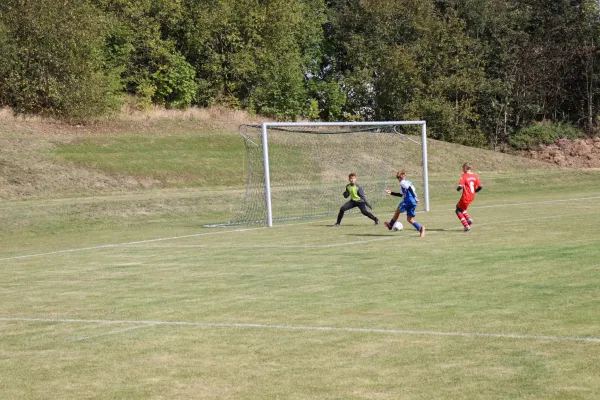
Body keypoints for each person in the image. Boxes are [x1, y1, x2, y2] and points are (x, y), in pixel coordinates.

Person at [384, 171, 425, 237]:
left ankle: (390, 224)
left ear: (403, 177)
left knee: (397, 211)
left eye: (400, 177)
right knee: (409, 219)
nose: (399, 179)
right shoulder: (407, 182)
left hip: (408, 200)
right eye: (398, 178)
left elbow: (409, 189)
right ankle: (420, 229)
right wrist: (391, 192)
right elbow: (400, 194)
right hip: (413, 202)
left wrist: (415, 198)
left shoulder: (403, 182)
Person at [456, 162, 482, 232]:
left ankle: (466, 225)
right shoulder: (475, 176)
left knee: (458, 210)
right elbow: (480, 187)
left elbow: (460, 186)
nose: (462, 170)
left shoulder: (464, 175)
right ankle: (469, 220)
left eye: (463, 168)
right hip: (472, 196)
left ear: (465, 168)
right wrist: (474, 191)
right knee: (462, 208)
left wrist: (458, 189)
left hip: (466, 196)